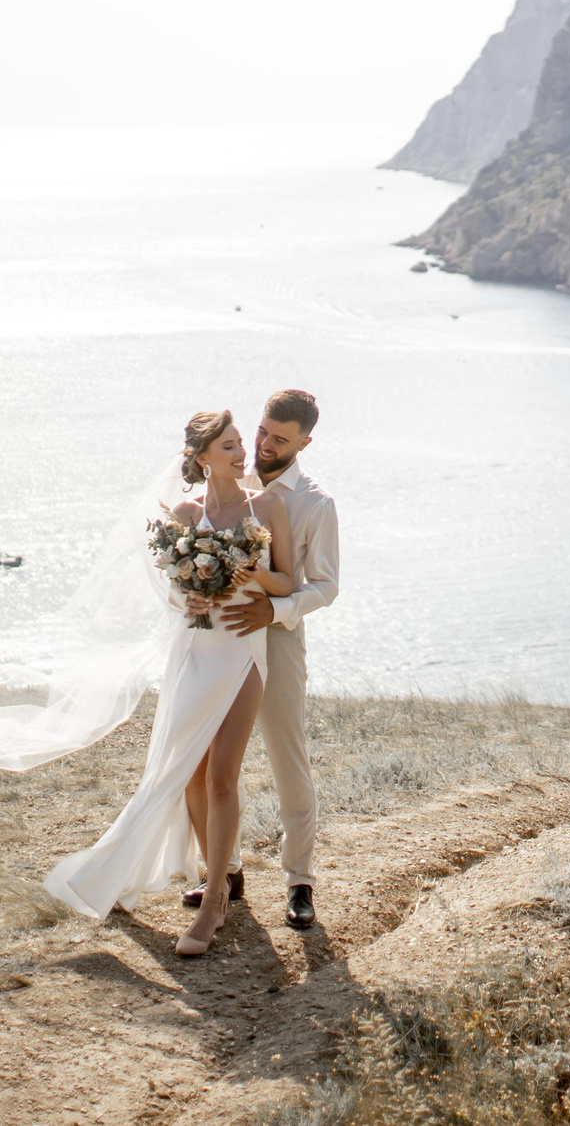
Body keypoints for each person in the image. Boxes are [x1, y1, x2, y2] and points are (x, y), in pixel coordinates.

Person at [19, 409, 292, 956]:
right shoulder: (187, 512)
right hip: (195, 649)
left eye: (242, 444)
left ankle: (215, 900)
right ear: (202, 458)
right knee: (185, 773)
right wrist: (188, 596)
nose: (243, 454)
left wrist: (251, 576)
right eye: (230, 447)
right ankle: (210, 870)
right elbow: (175, 586)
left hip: (242, 649)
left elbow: (289, 580)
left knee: (221, 775)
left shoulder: (268, 505)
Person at [190, 389, 337, 931]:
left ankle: (300, 881)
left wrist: (272, 612)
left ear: (304, 442)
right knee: (217, 761)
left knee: (286, 755)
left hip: (276, 639)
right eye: (261, 432)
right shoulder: (236, 485)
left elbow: (325, 587)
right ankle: (225, 872)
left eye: (279, 439)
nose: (264, 445)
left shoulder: (317, 503)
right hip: (225, 640)